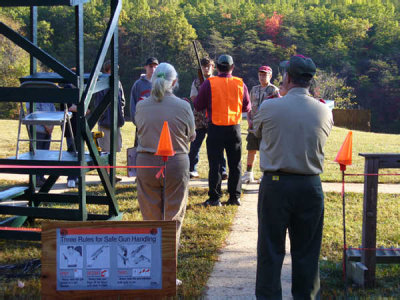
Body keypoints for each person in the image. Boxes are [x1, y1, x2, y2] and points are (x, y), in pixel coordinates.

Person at [253, 55, 333, 299]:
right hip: (309, 185)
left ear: (287, 78)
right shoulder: (323, 110)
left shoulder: (270, 106)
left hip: (276, 184)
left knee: (270, 251)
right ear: (310, 80)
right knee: (307, 254)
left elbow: (256, 131)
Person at [135, 63, 195, 281]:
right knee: (172, 219)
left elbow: (139, 128)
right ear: (175, 82)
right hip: (175, 164)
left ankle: (151, 268)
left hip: (146, 164)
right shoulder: (183, 106)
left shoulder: (142, 106)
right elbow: (191, 135)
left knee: (150, 217)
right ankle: (167, 273)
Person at [194, 54, 251, 207]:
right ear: (232, 67)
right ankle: (234, 197)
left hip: (215, 127)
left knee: (216, 164)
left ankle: (214, 198)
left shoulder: (209, 83)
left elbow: (198, 105)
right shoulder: (240, 84)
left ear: (217, 67)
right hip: (234, 128)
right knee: (235, 164)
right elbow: (246, 106)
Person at [188, 57, 227, 179]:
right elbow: (194, 99)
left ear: (213, 67)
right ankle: (192, 169)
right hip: (199, 118)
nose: (206, 68)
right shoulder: (196, 82)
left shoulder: (217, 81)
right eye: (203, 66)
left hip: (213, 118)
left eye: (208, 66)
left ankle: (222, 169)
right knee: (195, 145)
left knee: (218, 145)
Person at [242, 65, 279, 184]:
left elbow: (277, 108)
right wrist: (248, 119)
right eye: (260, 74)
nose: (262, 77)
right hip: (253, 125)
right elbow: (249, 106)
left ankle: (265, 173)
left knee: (265, 150)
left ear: (270, 75)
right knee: (251, 149)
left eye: (265, 74)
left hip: (266, 125)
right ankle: (249, 173)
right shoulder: (254, 89)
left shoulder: (274, 90)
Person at [94, 60, 125, 182]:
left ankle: (112, 173)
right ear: (107, 70)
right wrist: (102, 117)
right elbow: (97, 103)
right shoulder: (101, 82)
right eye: (113, 69)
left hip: (116, 122)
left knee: (115, 149)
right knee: (105, 150)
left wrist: (120, 115)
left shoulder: (118, 82)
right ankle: (106, 175)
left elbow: (122, 101)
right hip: (105, 123)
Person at [26, 101, 56, 187]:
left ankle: (41, 176)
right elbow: (34, 113)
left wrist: (51, 126)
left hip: (48, 131)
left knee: (45, 154)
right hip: (37, 130)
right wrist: (46, 126)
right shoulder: (32, 100)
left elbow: (54, 113)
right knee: (36, 155)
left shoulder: (49, 102)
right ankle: (35, 178)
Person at [130, 57, 159, 145]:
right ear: (145, 67)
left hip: (157, 124)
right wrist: (137, 122)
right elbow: (133, 104)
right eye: (150, 66)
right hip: (142, 124)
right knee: (139, 151)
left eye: (155, 67)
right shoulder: (138, 84)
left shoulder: (160, 83)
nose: (153, 69)